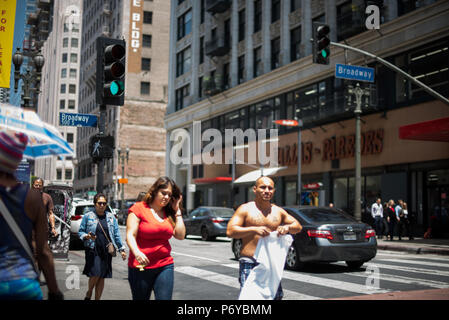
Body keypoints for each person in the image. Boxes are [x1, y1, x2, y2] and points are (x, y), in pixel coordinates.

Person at [0, 131, 63, 300]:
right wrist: (54, 291)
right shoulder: (32, 198)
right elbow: (43, 251)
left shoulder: (42, 197)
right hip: (24, 284)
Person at [226, 176, 302, 300]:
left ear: (274, 191)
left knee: (275, 297)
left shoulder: (278, 211)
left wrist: (287, 228)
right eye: (263, 187)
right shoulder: (245, 209)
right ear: (255, 189)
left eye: (270, 188)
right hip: (250, 261)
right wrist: (253, 229)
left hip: (271, 263)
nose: (267, 190)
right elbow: (230, 231)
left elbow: (297, 226)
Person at [126, 177, 185, 300]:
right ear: (154, 191)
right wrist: (137, 253)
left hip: (164, 265)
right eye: (163, 193)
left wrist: (177, 211)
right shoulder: (139, 208)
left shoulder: (169, 212)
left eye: (169, 195)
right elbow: (130, 235)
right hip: (140, 266)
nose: (167, 197)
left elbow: (180, 235)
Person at [78, 193, 127, 300]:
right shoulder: (88, 216)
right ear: (95, 204)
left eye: (104, 203)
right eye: (99, 203)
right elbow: (80, 232)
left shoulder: (111, 217)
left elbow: (116, 234)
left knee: (102, 276)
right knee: (95, 273)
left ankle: (97, 299)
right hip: (93, 249)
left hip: (106, 250)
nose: (102, 205)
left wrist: (121, 249)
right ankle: (89, 291)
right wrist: (87, 236)